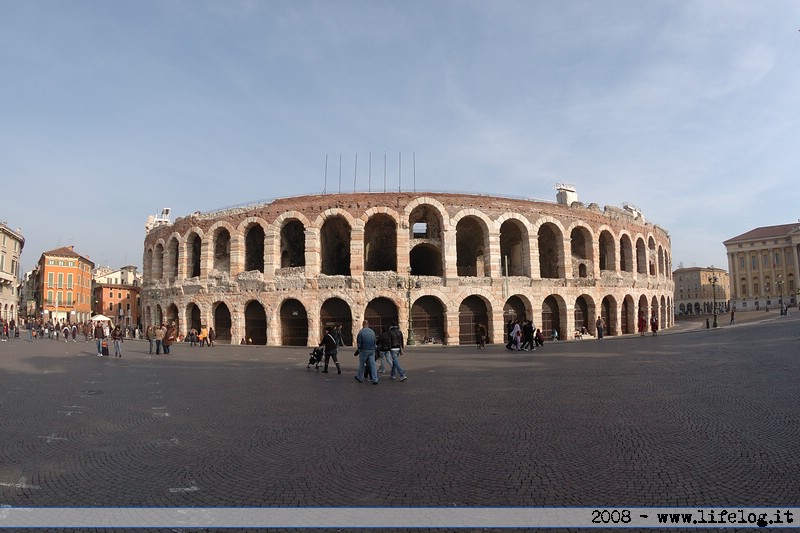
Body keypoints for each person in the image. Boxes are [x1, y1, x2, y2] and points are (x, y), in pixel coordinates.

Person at [355, 319, 378, 384]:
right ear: (368, 324)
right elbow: (374, 341)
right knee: (373, 365)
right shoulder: (372, 332)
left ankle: (360, 378)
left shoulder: (361, 332)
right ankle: (375, 379)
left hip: (364, 350)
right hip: (371, 350)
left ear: (363, 324)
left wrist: (359, 349)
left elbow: (359, 343)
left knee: (362, 364)